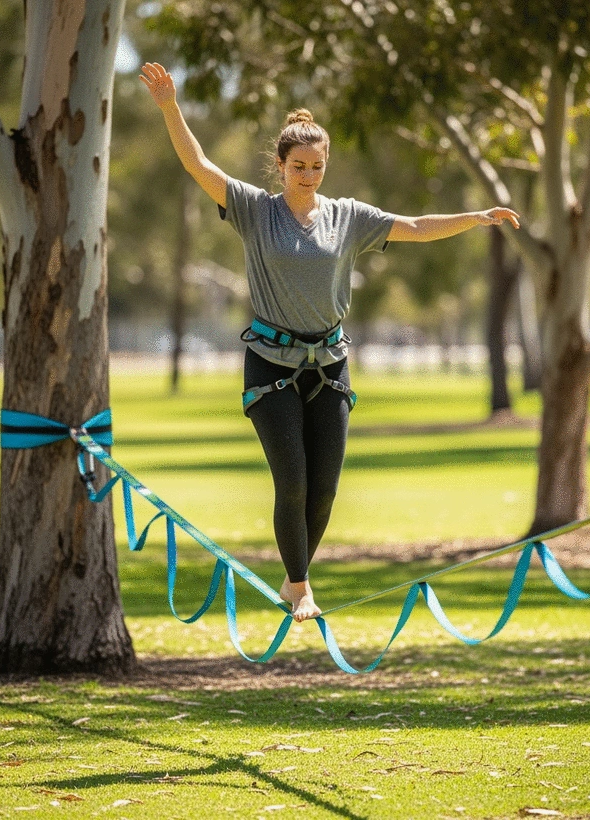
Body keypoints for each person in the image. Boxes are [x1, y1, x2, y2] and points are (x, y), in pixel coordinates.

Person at [140, 62, 520, 623]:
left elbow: (414, 226)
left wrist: (478, 217)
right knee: (292, 479)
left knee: (324, 493)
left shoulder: (347, 218)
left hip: (331, 365)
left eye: (318, 166)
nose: (309, 175)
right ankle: (300, 585)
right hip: (270, 363)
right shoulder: (254, 209)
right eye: (299, 167)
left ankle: (296, 579)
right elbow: (200, 165)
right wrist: (171, 105)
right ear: (281, 165)